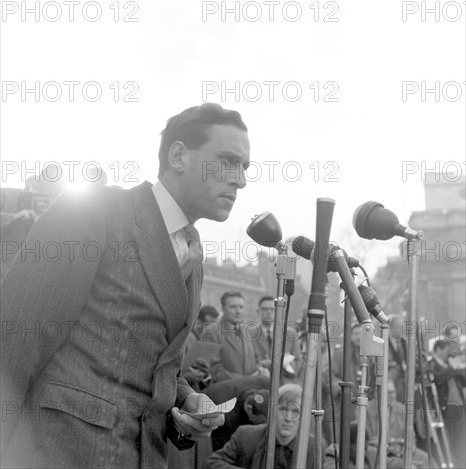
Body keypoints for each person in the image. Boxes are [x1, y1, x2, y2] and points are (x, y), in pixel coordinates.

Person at [1, 103, 250, 469]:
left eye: (245, 168)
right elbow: (14, 343)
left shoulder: (192, 254)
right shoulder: (96, 209)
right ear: (178, 155)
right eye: (228, 161)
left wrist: (186, 403)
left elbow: (156, 367)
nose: (240, 180)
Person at [204, 384, 319, 468]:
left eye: (296, 411)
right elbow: (211, 463)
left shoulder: (314, 447)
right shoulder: (246, 435)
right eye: (283, 409)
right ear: (271, 411)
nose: (288, 417)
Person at [208, 292, 266, 382]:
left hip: (249, 388)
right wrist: (243, 381)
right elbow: (214, 368)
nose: (238, 311)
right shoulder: (212, 331)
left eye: (241, 307)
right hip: (226, 390)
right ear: (223, 309)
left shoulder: (247, 331)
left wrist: (260, 370)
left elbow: (256, 360)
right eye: (233, 307)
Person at [427, 339, 466, 468]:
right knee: (452, 439)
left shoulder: (448, 363)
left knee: (461, 438)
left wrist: (459, 367)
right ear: (438, 349)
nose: (448, 353)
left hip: (460, 405)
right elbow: (437, 379)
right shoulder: (432, 364)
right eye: (446, 350)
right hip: (448, 407)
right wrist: (452, 367)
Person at [252, 296, 303, 382]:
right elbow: (247, 364)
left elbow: (298, 364)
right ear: (258, 311)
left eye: (272, 309)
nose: (268, 312)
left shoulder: (290, 334)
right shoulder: (250, 334)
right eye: (265, 309)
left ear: (278, 311)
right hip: (258, 383)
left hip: (283, 384)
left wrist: (278, 364)